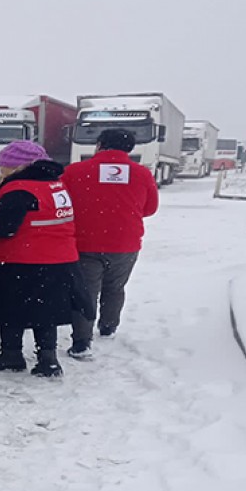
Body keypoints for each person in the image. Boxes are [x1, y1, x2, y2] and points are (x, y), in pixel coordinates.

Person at [0, 140, 85, 379]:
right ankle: (48, 360)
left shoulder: (19, 190)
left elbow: (6, 228)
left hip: (25, 259)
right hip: (59, 258)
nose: (0, 169)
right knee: (45, 312)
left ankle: (11, 355)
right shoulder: (54, 184)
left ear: (15, 167)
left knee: (10, 309)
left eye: (3, 166)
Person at [61, 128, 160, 358]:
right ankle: (108, 326)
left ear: (99, 145)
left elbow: (63, 204)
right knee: (115, 287)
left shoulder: (75, 171)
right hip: (126, 243)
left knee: (85, 292)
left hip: (85, 243)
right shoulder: (142, 174)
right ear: (130, 148)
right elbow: (150, 208)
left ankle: (82, 342)